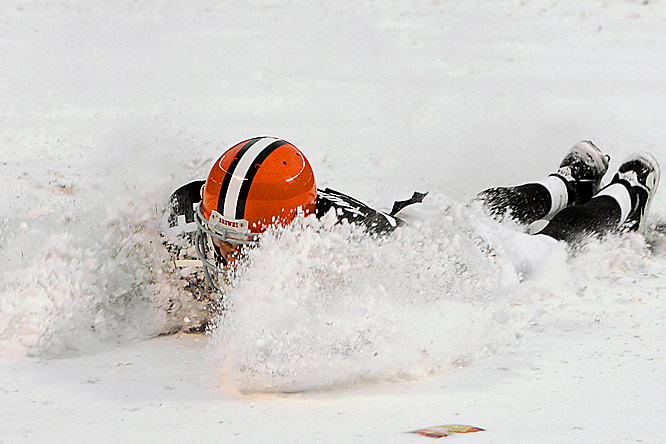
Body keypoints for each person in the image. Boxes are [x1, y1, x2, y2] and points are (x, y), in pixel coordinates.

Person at [163, 137, 660, 331]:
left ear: (295, 231)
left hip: (444, 260)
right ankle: (565, 182)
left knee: (538, 252)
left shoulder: (353, 251)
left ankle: (624, 198)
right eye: (219, 236)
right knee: (480, 207)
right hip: (409, 228)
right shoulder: (194, 207)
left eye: (245, 245)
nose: (225, 254)